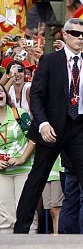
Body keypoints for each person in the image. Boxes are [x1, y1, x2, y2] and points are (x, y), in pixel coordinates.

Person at [14, 18, 83, 234]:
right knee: (37, 179)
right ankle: (21, 228)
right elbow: (36, 96)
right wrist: (43, 123)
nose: (80, 38)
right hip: (51, 129)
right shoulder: (49, 60)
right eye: (75, 33)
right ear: (65, 35)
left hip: (79, 128)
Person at [0, 86, 35, 233]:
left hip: (23, 170)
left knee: (27, 212)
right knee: (5, 218)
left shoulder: (18, 114)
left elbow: (33, 139)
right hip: (2, 173)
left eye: (0, 91)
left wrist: (22, 158)